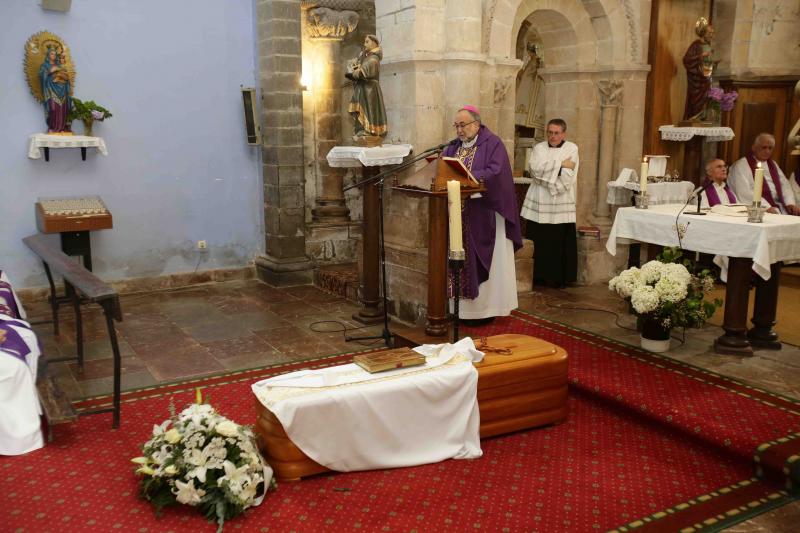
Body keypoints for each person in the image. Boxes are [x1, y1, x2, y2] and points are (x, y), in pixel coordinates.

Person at [442, 106, 523, 323]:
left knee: (486, 261)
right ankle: (459, 310)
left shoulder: (492, 143)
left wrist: (467, 177)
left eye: (463, 125)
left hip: (485, 213)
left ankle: (484, 311)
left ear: (476, 124)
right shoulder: (452, 148)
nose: (459, 130)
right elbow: (442, 170)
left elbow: (496, 173)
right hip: (458, 214)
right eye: (456, 125)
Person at [520, 118, 579, 288]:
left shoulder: (572, 148)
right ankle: (538, 276)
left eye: (556, 133)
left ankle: (559, 278)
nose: (552, 136)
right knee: (540, 238)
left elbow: (568, 176)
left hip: (561, 200)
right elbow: (535, 171)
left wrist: (550, 174)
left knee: (558, 240)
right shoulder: (539, 148)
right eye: (550, 132)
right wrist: (560, 165)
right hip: (540, 200)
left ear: (563, 134)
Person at [728, 133, 799, 215]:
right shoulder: (741, 166)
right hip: (758, 210)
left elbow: (784, 185)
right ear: (754, 148)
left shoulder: (773, 164)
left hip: (779, 207)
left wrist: (790, 203)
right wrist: (766, 207)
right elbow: (743, 192)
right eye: (764, 147)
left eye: (770, 148)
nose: (767, 151)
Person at [345, 35, 387, 139]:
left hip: (370, 89)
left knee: (369, 109)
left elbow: (367, 70)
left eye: (367, 42)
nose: (365, 44)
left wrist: (357, 72)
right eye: (365, 42)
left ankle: (369, 130)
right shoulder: (366, 57)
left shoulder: (374, 58)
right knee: (362, 109)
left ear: (374, 43)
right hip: (363, 87)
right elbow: (360, 68)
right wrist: (354, 67)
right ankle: (362, 130)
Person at [682, 18, 715, 121]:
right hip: (696, 83)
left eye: (712, 33)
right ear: (703, 33)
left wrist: (714, 63)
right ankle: (693, 119)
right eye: (709, 33)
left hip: (706, 81)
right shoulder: (695, 45)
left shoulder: (708, 46)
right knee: (696, 104)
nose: (711, 35)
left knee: (705, 103)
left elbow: (708, 64)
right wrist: (700, 56)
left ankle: (701, 119)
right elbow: (686, 60)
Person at [38, 47, 72, 133]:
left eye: (55, 54)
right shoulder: (44, 66)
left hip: (62, 90)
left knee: (63, 109)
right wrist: (50, 71)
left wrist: (64, 77)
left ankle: (63, 128)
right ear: (48, 55)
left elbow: (67, 77)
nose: (54, 55)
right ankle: (53, 127)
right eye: (52, 54)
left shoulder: (60, 65)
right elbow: (41, 75)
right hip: (51, 90)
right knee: (53, 109)